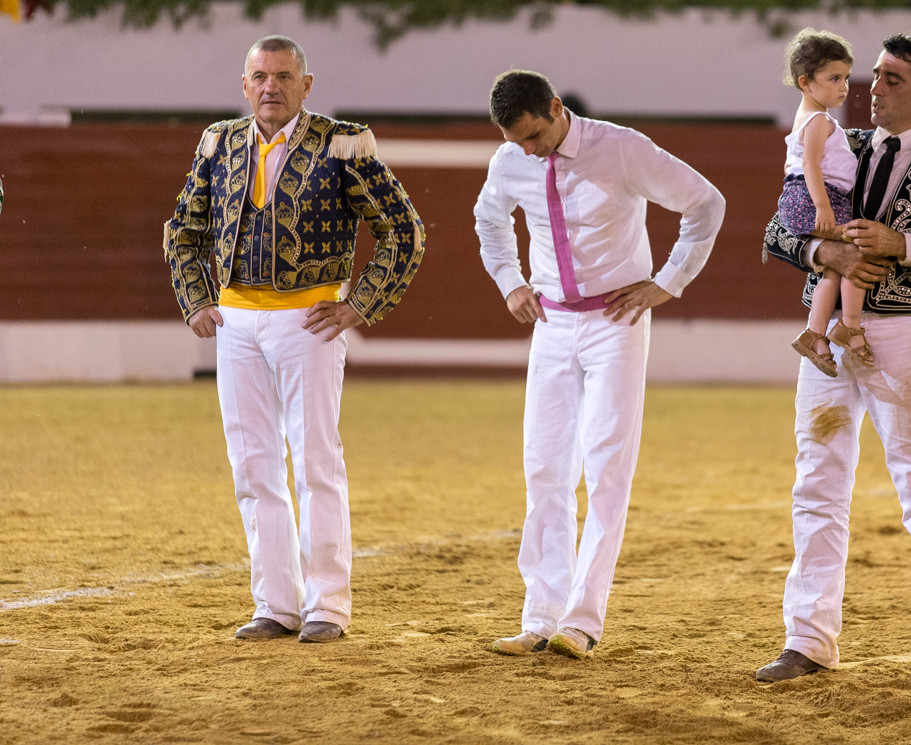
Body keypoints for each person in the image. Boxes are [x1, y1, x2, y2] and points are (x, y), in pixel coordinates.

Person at [164, 35, 425, 644]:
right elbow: (184, 228)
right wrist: (195, 296)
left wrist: (360, 302)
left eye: (283, 76)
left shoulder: (342, 142)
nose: (270, 87)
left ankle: (327, 606)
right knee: (253, 465)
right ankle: (274, 605)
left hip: (308, 321)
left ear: (307, 84)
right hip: (234, 322)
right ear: (245, 82)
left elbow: (403, 229)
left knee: (315, 461)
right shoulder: (220, 142)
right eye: (259, 76)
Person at [759, 32, 911, 683]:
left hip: (898, 336)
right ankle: (807, 641)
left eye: (892, 78)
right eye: (873, 75)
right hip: (828, 333)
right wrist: (818, 254)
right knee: (816, 483)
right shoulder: (838, 140)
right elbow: (780, 229)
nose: (873, 86)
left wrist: (904, 243)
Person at [473, 70, 724, 659]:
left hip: (616, 321)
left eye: (535, 136)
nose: (530, 151)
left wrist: (667, 283)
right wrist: (510, 282)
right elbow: (489, 221)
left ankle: (582, 620)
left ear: (556, 108)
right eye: (518, 143)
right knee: (544, 467)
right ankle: (539, 616)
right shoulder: (511, 161)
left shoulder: (621, 148)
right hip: (552, 323)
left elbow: (705, 203)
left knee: (607, 466)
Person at [771, 28, 873, 378]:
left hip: (806, 197)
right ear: (805, 82)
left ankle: (816, 335)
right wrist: (823, 208)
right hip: (814, 198)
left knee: (835, 266)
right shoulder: (818, 121)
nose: (843, 86)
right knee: (861, 250)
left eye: (845, 77)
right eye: (833, 78)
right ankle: (850, 326)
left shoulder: (812, 119)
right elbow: (811, 165)